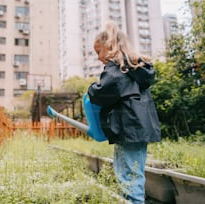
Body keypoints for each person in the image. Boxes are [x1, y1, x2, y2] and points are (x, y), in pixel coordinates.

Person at [87, 21, 161, 204]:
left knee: (128, 177)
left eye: (98, 52)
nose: (98, 58)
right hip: (136, 130)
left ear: (109, 46)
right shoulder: (134, 68)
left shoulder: (116, 70)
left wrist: (91, 89)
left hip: (128, 130)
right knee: (132, 174)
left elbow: (101, 92)